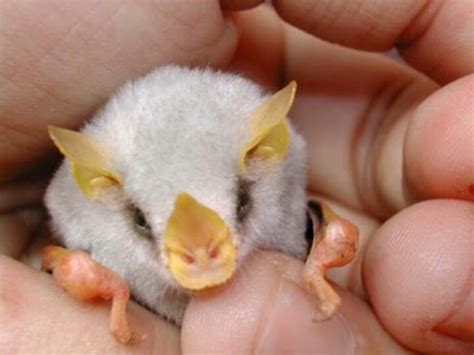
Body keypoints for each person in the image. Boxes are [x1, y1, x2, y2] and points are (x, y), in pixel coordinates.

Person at [1, 0, 472, 353]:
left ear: (265, 154)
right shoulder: (85, 200)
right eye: (145, 222)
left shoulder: (271, 164)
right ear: (99, 185)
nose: (204, 259)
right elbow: (62, 214)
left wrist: (324, 246)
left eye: (239, 206)